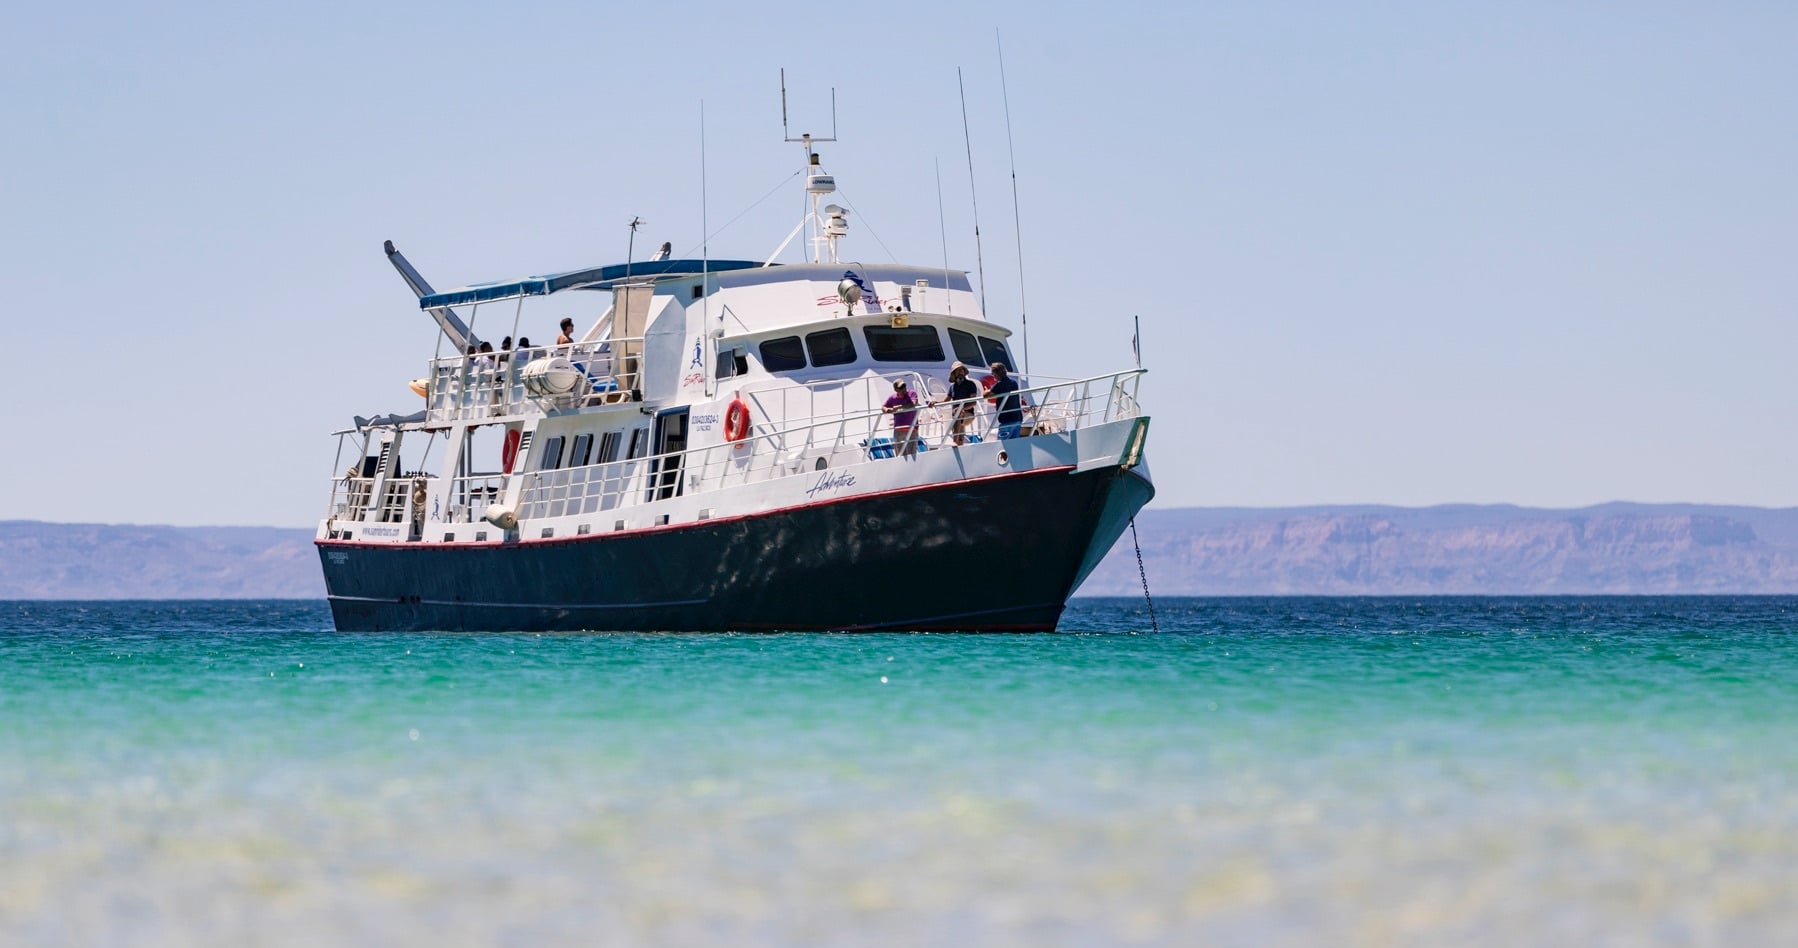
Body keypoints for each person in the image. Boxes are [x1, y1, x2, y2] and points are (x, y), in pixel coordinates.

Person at [937, 361, 979, 446]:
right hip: (957, 416)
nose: (960, 372)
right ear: (954, 373)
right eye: (957, 370)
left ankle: (955, 441)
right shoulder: (952, 387)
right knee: (957, 419)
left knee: (957, 414)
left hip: (968, 414)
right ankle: (959, 443)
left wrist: (962, 409)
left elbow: (973, 402)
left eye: (962, 370)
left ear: (964, 372)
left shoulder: (970, 384)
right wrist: (935, 403)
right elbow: (946, 401)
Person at [882, 379, 921, 458]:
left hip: (911, 430)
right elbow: (883, 407)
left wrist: (897, 408)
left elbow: (913, 404)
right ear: (896, 389)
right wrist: (886, 410)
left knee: (912, 456)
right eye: (901, 387)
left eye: (904, 386)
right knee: (900, 457)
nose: (904, 389)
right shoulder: (892, 398)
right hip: (898, 431)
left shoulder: (912, 393)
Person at [987, 362, 1026, 440]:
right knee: (1014, 444)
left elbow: (986, 395)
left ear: (996, 373)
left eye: (992, 374)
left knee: (1003, 445)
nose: (992, 376)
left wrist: (986, 390)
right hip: (1017, 418)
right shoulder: (1014, 383)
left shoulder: (1000, 384)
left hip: (1007, 420)